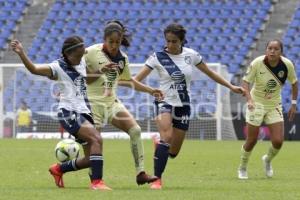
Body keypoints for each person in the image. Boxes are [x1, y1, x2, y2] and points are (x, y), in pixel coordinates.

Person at [134, 23, 245, 189]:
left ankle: (159, 143)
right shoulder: (156, 57)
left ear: (182, 40)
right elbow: (135, 80)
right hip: (164, 101)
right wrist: (150, 91)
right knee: (167, 137)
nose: (170, 45)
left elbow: (211, 73)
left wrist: (231, 86)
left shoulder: (191, 55)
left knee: (173, 152)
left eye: (174, 41)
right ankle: (157, 179)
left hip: (183, 104)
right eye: (168, 41)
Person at [11, 36, 111, 190]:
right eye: (78, 56)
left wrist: (101, 71)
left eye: (81, 54)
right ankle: (97, 183)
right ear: (68, 54)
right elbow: (34, 69)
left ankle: (58, 169)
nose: (80, 58)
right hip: (68, 112)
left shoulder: (82, 60)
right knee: (96, 139)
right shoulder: (57, 67)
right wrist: (21, 53)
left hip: (85, 112)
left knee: (92, 158)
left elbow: (87, 80)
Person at [84, 20, 163, 185]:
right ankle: (96, 180)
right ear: (104, 39)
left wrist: (151, 90)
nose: (114, 45)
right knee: (96, 142)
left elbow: (129, 81)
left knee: (135, 130)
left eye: (117, 42)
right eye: (111, 42)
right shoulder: (90, 52)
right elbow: (81, 76)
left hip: (111, 103)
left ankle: (140, 173)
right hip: (92, 104)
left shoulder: (122, 59)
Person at [237, 39, 298, 179]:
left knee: (278, 141)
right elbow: (245, 82)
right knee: (251, 140)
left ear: (281, 52)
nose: (272, 51)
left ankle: (267, 160)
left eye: (276, 49)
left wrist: (293, 104)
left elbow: (295, 83)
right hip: (256, 103)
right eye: (270, 48)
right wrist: (249, 100)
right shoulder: (257, 63)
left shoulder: (287, 65)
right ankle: (242, 168)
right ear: (266, 50)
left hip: (274, 105)